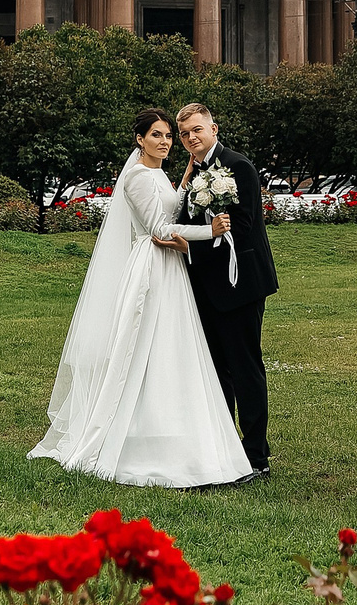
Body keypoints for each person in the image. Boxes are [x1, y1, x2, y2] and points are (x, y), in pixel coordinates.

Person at [31, 110, 252, 489]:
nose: (165, 142)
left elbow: (169, 204)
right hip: (152, 268)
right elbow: (159, 227)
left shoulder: (158, 174)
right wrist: (207, 230)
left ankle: (177, 432)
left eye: (169, 135)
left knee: (174, 349)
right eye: (157, 135)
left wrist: (184, 182)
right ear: (139, 139)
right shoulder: (135, 176)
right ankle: (138, 437)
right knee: (148, 349)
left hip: (171, 269)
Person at [174, 102, 279, 478]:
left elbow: (245, 226)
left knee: (245, 368)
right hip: (205, 285)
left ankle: (256, 457)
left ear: (213, 129)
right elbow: (184, 219)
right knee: (218, 371)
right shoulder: (193, 172)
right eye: (185, 134)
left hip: (241, 282)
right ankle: (224, 449)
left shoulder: (239, 167)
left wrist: (192, 248)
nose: (191, 138)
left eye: (197, 130)